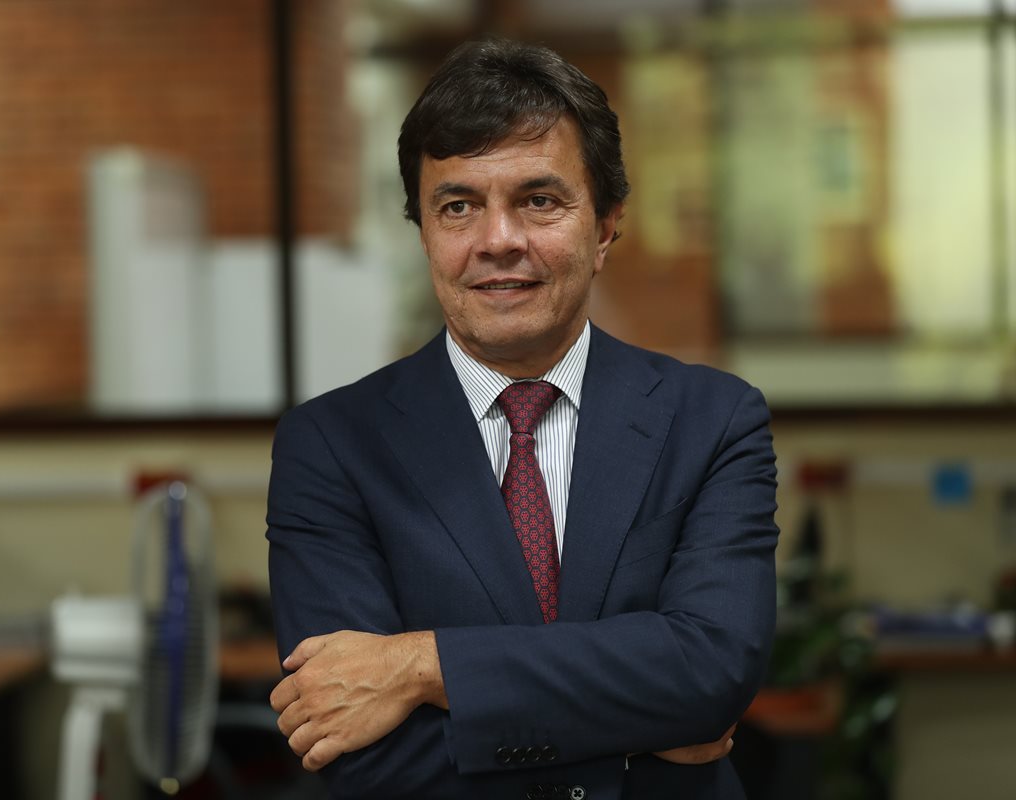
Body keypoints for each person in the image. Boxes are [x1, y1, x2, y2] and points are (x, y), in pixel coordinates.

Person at [266, 38, 778, 799]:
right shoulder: (332, 446)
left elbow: (712, 673)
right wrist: (632, 744)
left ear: (605, 226)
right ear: (424, 233)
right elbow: (354, 750)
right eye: (458, 207)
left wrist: (422, 665)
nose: (497, 241)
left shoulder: (712, 420)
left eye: (539, 201)